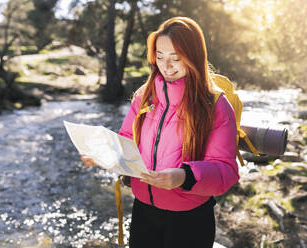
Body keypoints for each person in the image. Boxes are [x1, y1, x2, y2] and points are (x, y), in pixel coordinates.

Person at [82, 16, 240, 248]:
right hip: (143, 211)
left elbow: (226, 170)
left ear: (193, 57)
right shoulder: (143, 96)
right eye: (160, 56)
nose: (166, 66)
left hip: (190, 220)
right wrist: (104, 155)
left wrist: (184, 176)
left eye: (176, 58)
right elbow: (127, 138)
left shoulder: (215, 105)